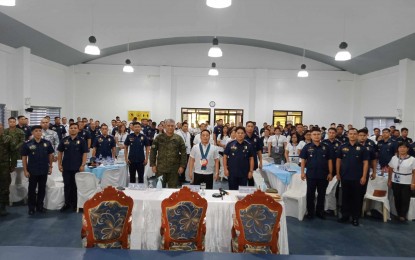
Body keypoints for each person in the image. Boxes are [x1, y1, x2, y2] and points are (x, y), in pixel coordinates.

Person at [336, 128, 369, 226]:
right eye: (351, 134)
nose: (353, 135)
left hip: (358, 178)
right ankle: (345, 216)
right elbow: (338, 160)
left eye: (355, 134)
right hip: (345, 177)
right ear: (348, 135)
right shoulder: (342, 147)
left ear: (358, 135)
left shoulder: (363, 148)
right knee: (345, 197)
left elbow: (366, 163)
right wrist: (338, 173)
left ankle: (355, 217)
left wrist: (364, 176)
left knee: (357, 198)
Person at [300, 128, 333, 219]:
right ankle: (310, 212)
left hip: (323, 175)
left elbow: (330, 160)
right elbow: (303, 160)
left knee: (321, 194)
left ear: (321, 135)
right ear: (311, 136)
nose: (316, 136)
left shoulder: (326, 147)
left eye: (318, 134)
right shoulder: (307, 147)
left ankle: (320, 212)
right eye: (314, 134)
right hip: (311, 175)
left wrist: (330, 173)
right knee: (310, 194)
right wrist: (302, 172)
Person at [21, 125, 54, 215]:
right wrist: (25, 170)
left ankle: (40, 206)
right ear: (32, 132)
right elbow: (24, 158)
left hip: (44, 170)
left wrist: (50, 167)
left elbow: (51, 155)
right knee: (32, 190)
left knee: (42, 189)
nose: (38, 132)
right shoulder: (27, 144)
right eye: (36, 131)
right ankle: (31, 208)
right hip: (32, 170)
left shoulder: (47, 143)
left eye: (40, 130)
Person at [57, 123, 88, 212]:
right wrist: (59, 164)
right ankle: (67, 203)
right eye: (71, 128)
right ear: (69, 129)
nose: (73, 129)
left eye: (75, 128)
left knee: (75, 186)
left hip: (77, 167)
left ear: (78, 130)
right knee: (67, 186)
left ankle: (75, 204)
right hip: (66, 167)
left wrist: (82, 165)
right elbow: (60, 152)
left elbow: (85, 153)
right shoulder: (64, 140)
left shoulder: (82, 141)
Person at [150, 119, 187, 188]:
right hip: (161, 168)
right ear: (165, 127)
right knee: (159, 188)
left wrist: (182, 166)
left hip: (174, 169)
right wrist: (153, 165)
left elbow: (183, 153)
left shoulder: (178, 138)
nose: (170, 127)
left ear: (174, 127)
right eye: (168, 126)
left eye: (172, 126)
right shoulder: (159, 138)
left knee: (172, 190)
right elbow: (153, 152)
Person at [388, 143, 415, 221]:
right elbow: (390, 169)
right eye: (400, 147)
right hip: (395, 180)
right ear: (398, 148)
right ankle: (398, 213)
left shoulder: (412, 159)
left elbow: (414, 172)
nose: (402, 149)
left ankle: (403, 215)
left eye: (404, 147)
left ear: (407, 149)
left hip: (407, 181)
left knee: (405, 198)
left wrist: (413, 182)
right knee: (397, 198)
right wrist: (389, 180)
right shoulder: (394, 158)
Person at [0, 124, 14, 216]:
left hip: (4, 165)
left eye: (0, 128)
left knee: (4, 186)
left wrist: (13, 164)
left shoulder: (8, 138)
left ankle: (2, 206)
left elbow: (13, 152)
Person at [244, 121, 263, 186]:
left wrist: (261, 162)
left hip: (253, 162)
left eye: (252, 126)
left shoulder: (257, 138)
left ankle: (250, 195)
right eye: (248, 126)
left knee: (251, 180)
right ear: (246, 127)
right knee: (242, 181)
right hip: (244, 162)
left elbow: (259, 151)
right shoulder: (242, 137)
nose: (250, 128)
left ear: (254, 128)